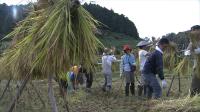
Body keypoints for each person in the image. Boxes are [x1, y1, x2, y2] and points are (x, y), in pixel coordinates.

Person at [185, 25, 200, 96]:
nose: (192, 32)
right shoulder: (192, 42)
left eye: (193, 30)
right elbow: (187, 51)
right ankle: (193, 98)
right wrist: (187, 52)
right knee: (195, 83)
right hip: (197, 66)